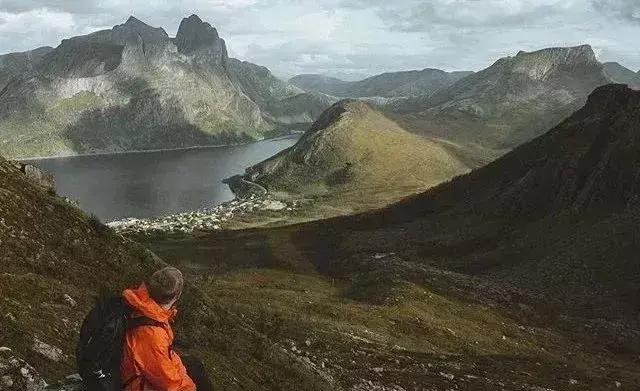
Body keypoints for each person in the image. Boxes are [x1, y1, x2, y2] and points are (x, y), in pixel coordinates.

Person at [121, 266, 213, 391]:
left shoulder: (143, 305)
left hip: (144, 366)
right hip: (139, 384)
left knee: (194, 364)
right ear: (176, 297)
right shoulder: (153, 333)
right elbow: (168, 384)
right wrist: (190, 386)